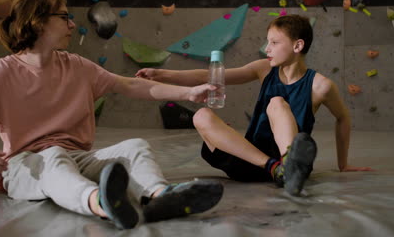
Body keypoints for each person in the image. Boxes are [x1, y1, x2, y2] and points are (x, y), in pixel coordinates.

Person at [0, 0, 224, 230]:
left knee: (135, 147)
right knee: (54, 158)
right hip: (25, 166)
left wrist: (189, 92)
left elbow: (130, 85)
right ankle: (101, 203)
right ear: (37, 22)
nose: (72, 24)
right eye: (64, 17)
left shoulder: (76, 66)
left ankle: (160, 197)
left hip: (77, 158)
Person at [136, 14, 373, 196]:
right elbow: (209, 76)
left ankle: (289, 166)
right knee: (201, 116)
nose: (267, 48)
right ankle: (276, 168)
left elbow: (343, 117)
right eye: (267, 42)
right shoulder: (263, 69)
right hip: (250, 161)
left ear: (297, 46)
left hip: (289, 168)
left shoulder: (320, 86)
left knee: (277, 103)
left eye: (274, 42)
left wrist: (343, 164)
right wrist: (162, 73)